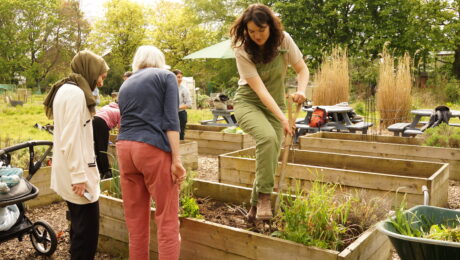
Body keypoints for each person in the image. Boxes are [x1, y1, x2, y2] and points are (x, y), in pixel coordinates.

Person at [230, 4, 309, 221]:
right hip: (249, 103)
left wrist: (301, 90)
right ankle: (265, 197)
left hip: (277, 104)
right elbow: (261, 91)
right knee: (267, 137)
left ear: (270, 27)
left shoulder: (284, 40)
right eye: (252, 31)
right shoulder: (242, 48)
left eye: (261, 30)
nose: (256, 36)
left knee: (272, 151)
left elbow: (302, 69)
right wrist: (283, 118)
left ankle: (254, 208)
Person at [117, 45, 186, 260]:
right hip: (152, 148)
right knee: (167, 219)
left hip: (125, 149)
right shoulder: (166, 77)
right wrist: (177, 159)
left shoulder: (126, 84)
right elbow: (172, 121)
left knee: (136, 221)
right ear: (160, 60)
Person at [44, 50, 109, 260]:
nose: (100, 82)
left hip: (72, 171)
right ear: (90, 70)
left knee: (78, 228)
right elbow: (71, 137)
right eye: (101, 76)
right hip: (78, 175)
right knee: (87, 236)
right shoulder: (76, 94)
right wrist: (79, 175)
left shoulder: (66, 89)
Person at [92, 101, 120, 179]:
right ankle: (106, 172)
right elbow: (121, 128)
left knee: (96, 148)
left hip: (93, 120)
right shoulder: (120, 111)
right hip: (102, 123)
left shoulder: (107, 107)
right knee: (102, 149)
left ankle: (100, 171)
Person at [172, 69, 192, 140]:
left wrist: (177, 107)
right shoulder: (167, 88)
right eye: (178, 77)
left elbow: (189, 104)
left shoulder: (184, 89)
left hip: (180, 115)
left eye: (181, 77)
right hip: (170, 115)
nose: (180, 79)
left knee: (180, 135)